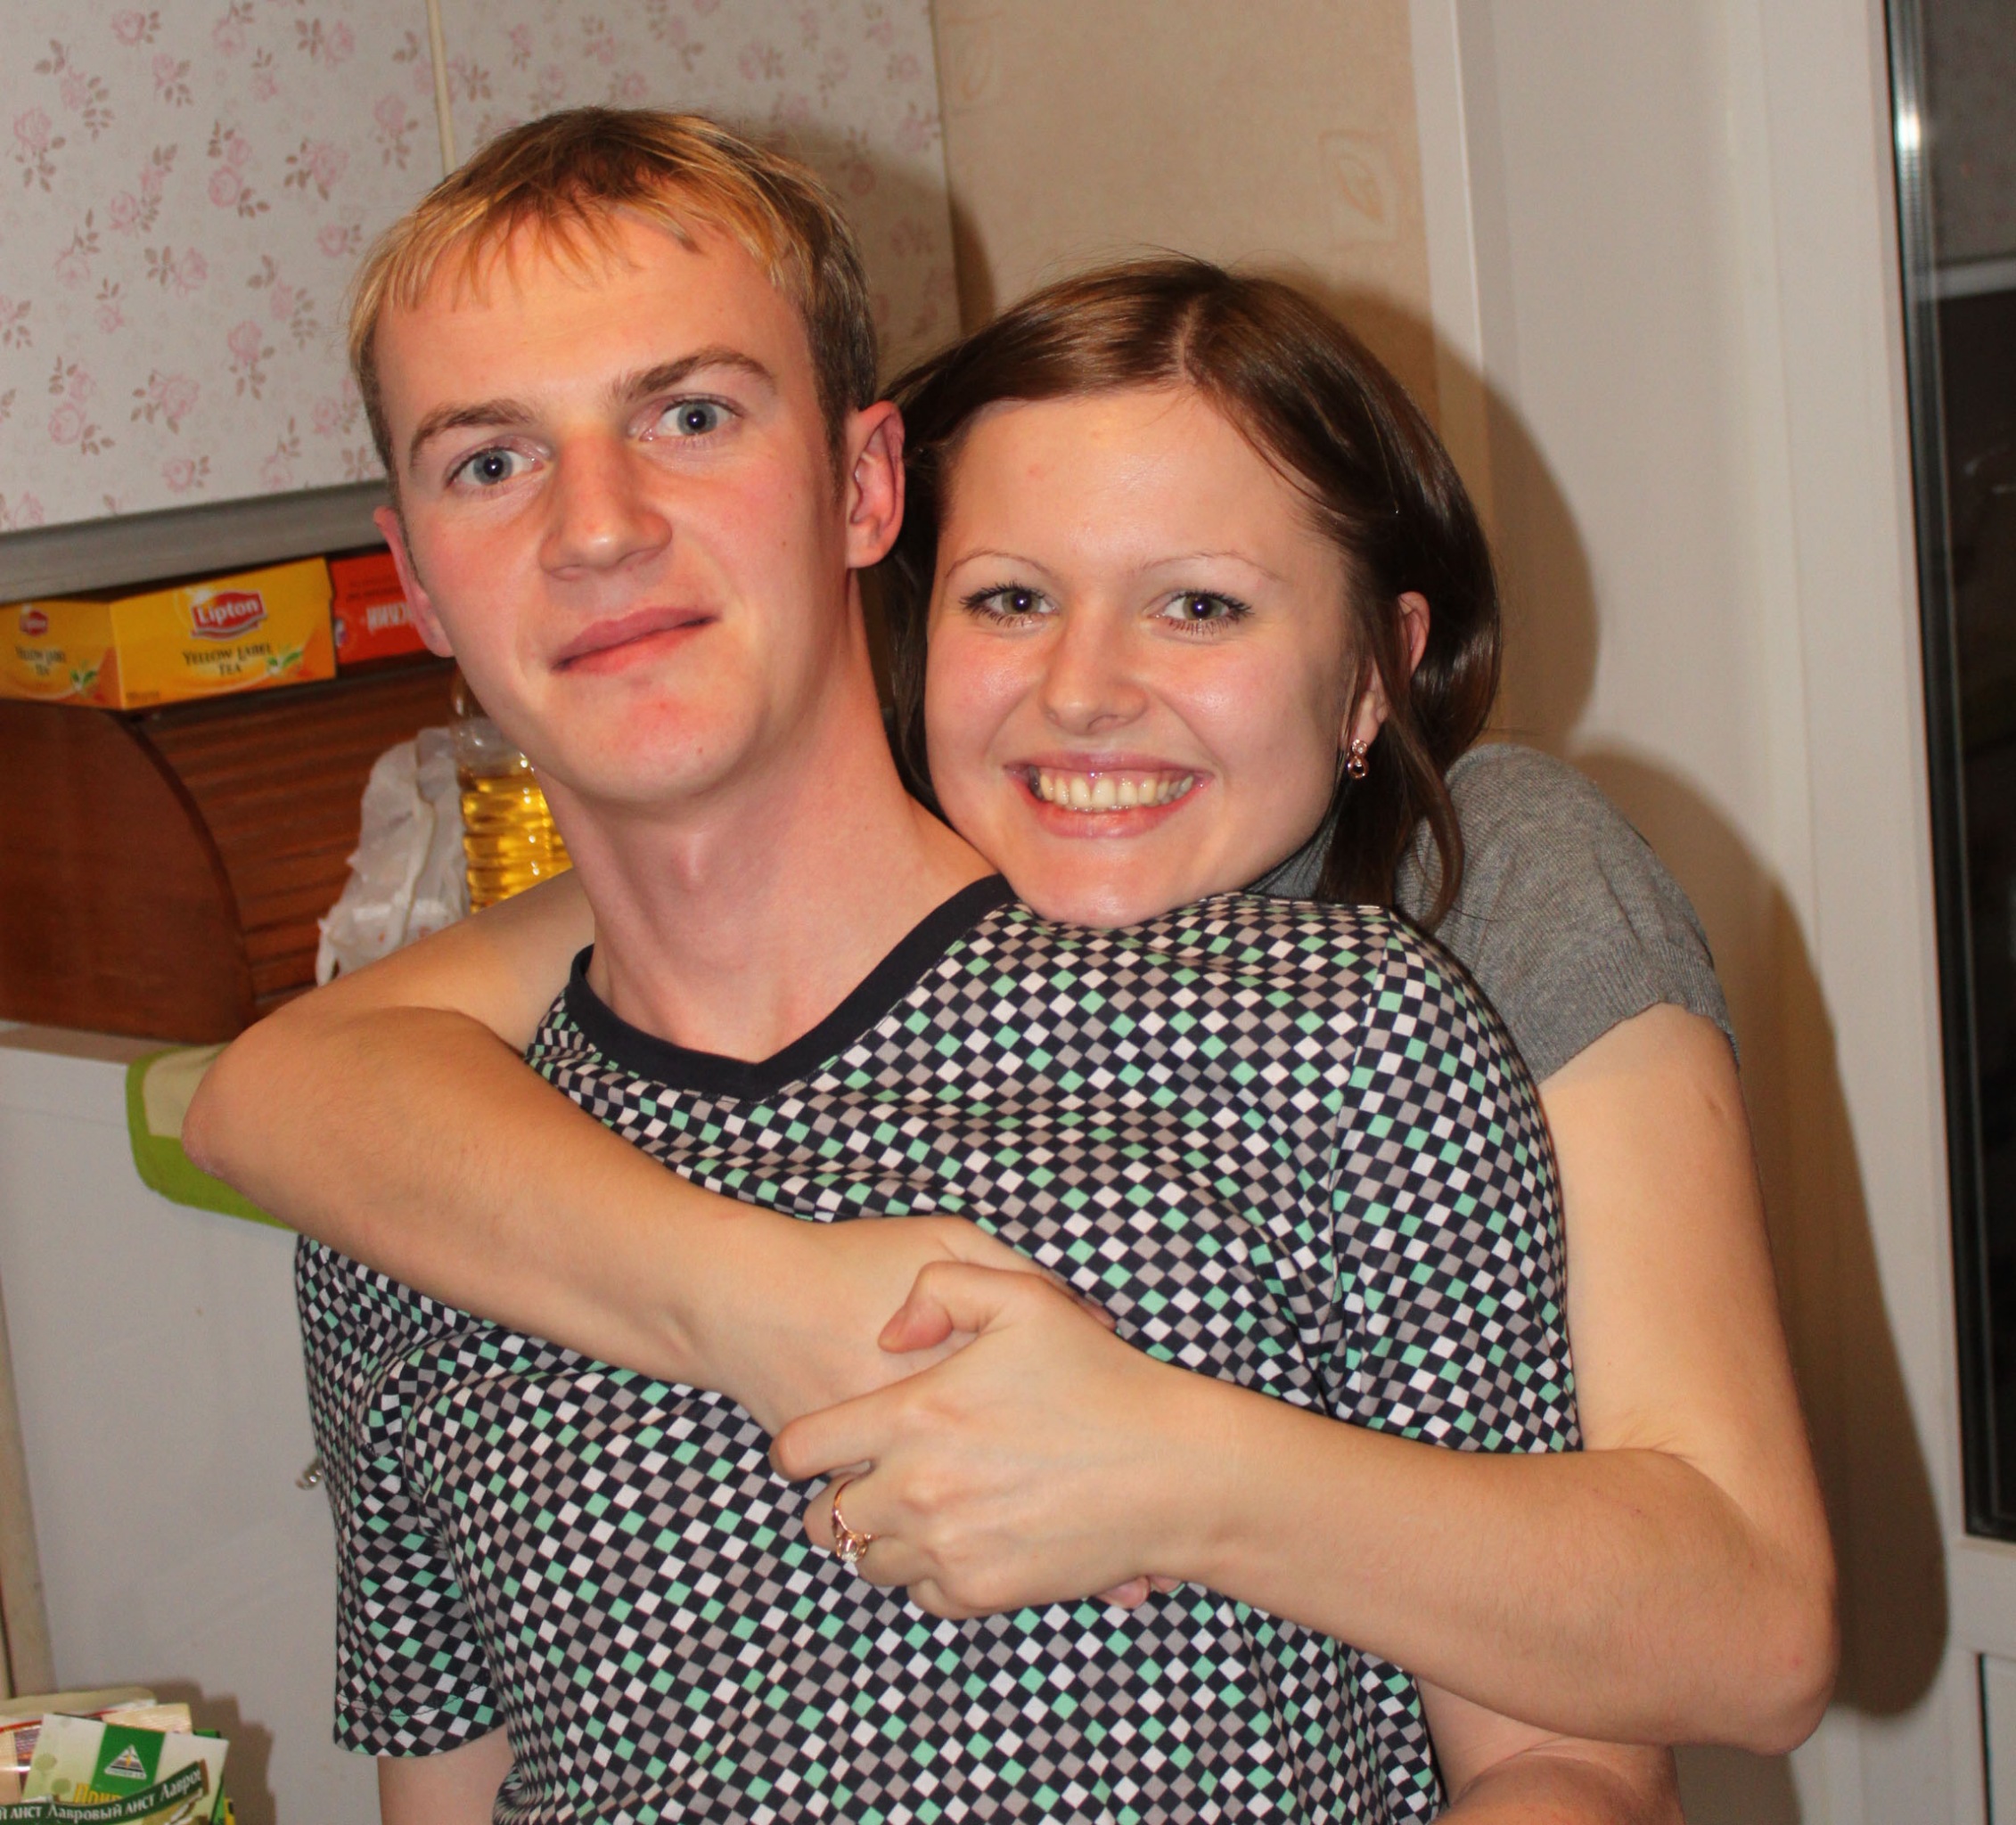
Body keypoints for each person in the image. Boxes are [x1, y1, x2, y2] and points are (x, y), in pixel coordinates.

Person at [177, 110, 1793, 1817]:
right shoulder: (417, 1191)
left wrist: (1176, 1466)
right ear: (416, 581)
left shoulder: (1345, 1024)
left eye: (691, 416)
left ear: (864, 485)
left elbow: (1571, 1752)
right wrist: (771, 1306)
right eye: (490, 462)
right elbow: (450, 1787)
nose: (596, 527)